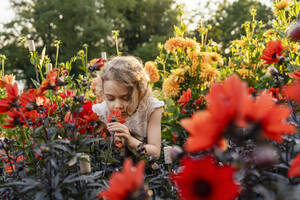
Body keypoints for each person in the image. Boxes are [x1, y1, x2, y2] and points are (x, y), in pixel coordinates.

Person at [92, 56, 164, 159]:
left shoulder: (151, 108)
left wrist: (130, 140)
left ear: (140, 93)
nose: (117, 106)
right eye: (110, 98)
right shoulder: (101, 112)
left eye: (126, 98)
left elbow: (155, 152)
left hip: (145, 165)